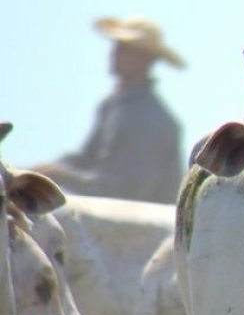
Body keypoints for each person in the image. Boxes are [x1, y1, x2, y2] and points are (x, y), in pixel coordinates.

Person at [34, 16, 185, 204]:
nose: (113, 53)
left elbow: (126, 192)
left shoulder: (150, 118)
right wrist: (40, 173)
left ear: (144, 59)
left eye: (123, 48)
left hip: (145, 228)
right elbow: (86, 159)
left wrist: (61, 175)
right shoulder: (112, 106)